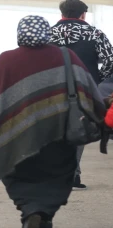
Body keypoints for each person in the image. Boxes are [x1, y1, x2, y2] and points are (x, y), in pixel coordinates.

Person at [0, 15, 105, 228]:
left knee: (17, 173)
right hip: (58, 132)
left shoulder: (6, 59)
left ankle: (30, 211)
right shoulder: (66, 56)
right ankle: (43, 214)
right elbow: (87, 86)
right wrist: (100, 113)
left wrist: (0, 116)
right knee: (58, 173)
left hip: (18, 136)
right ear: (46, 32)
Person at [49, 0, 113, 190]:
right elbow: (110, 61)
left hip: (53, 87)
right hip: (83, 88)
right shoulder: (95, 34)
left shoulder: (47, 34)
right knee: (79, 127)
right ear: (83, 14)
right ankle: (73, 175)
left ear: (62, 13)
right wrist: (94, 79)